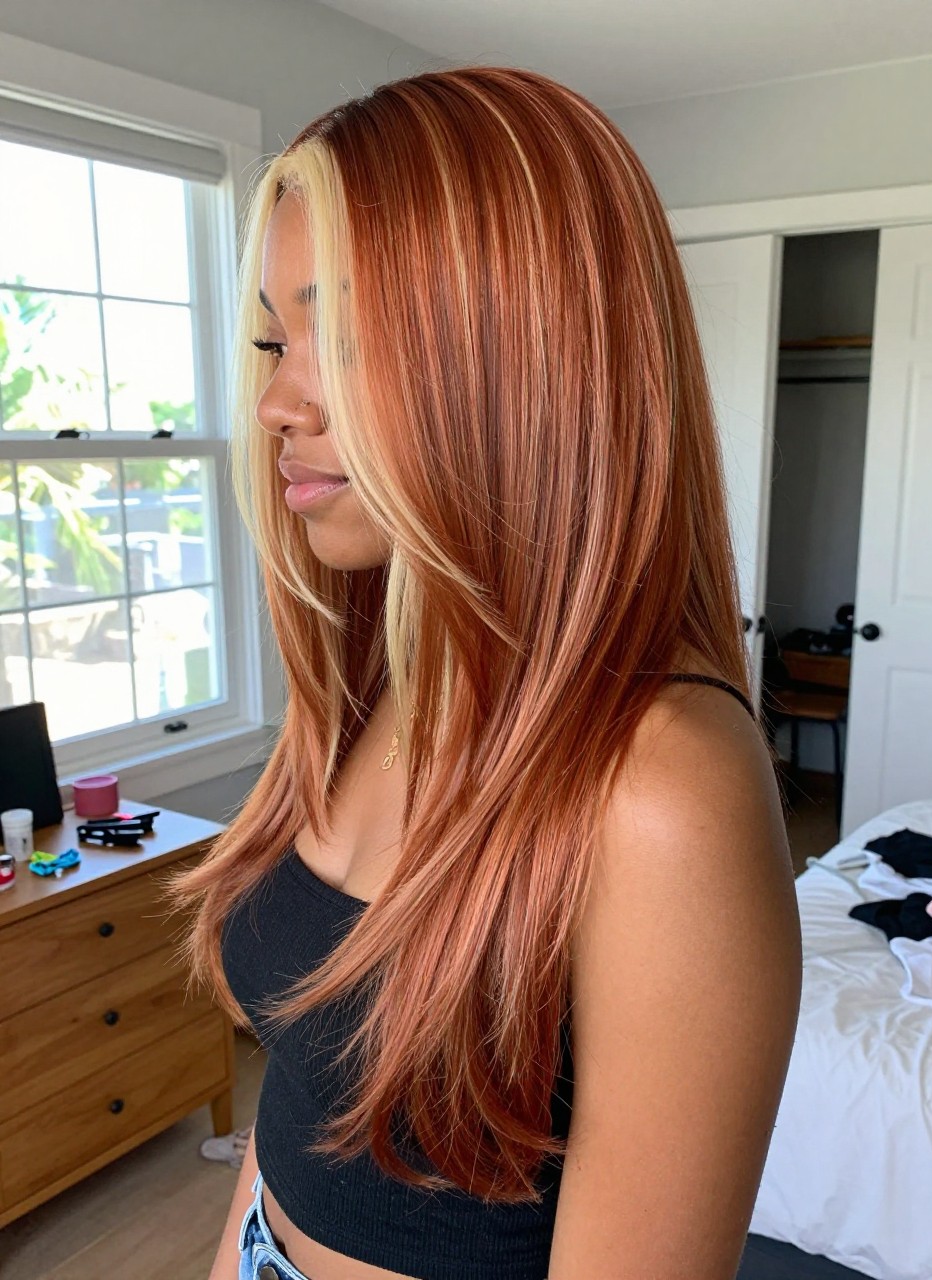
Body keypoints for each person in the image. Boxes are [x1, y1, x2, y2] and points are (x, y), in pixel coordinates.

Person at [163, 65, 802, 1280]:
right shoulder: (377, 675)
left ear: (528, 359)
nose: (279, 399)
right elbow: (305, 1074)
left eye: (342, 337)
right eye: (270, 339)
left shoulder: (661, 788)